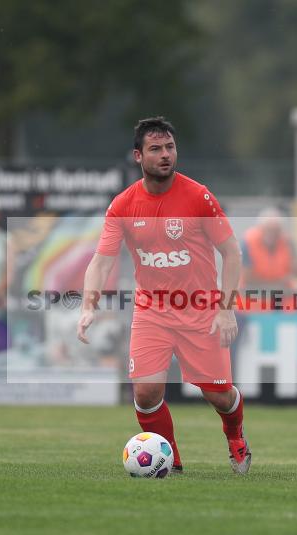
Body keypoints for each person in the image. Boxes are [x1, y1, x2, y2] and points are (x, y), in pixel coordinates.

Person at [77, 116, 250, 474]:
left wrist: (226, 309)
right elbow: (101, 260)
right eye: (155, 149)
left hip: (200, 310)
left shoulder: (198, 196)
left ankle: (235, 436)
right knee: (145, 394)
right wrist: (88, 305)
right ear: (138, 156)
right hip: (151, 310)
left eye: (170, 147)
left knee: (218, 394)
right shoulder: (123, 205)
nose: (165, 155)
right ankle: (170, 459)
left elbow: (232, 253)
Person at [240, 207, 297, 310]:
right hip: (255, 294)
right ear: (260, 229)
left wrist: (293, 255)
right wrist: (278, 282)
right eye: (268, 229)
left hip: (283, 296)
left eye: (276, 230)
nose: (272, 233)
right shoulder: (248, 243)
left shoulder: (288, 242)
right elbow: (248, 278)